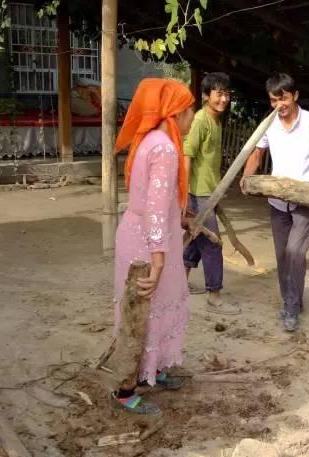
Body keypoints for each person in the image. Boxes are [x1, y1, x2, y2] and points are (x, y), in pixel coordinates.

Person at [111, 78, 196, 415]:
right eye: (190, 111)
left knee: (158, 304)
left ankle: (154, 370)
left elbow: (154, 199)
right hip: (148, 242)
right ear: (176, 112)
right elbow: (156, 209)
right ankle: (124, 389)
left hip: (146, 233)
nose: (193, 118)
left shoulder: (150, 139)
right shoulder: (165, 148)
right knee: (140, 313)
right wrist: (158, 259)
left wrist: (180, 219)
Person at [242, 73, 309, 332]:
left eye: (283, 98)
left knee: (296, 252)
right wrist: (246, 178)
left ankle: (291, 307)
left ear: (294, 96)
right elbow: (258, 152)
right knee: (283, 256)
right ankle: (292, 299)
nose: (278, 105)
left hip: (305, 200)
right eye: (273, 100)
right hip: (276, 201)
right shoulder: (270, 124)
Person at [183, 72, 239, 315]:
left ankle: (179, 283)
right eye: (219, 93)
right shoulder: (200, 120)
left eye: (227, 94)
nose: (224, 99)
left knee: (198, 238)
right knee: (212, 244)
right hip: (198, 193)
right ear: (206, 96)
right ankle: (214, 296)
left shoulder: (216, 120)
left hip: (210, 192)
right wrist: (184, 196)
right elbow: (187, 156)